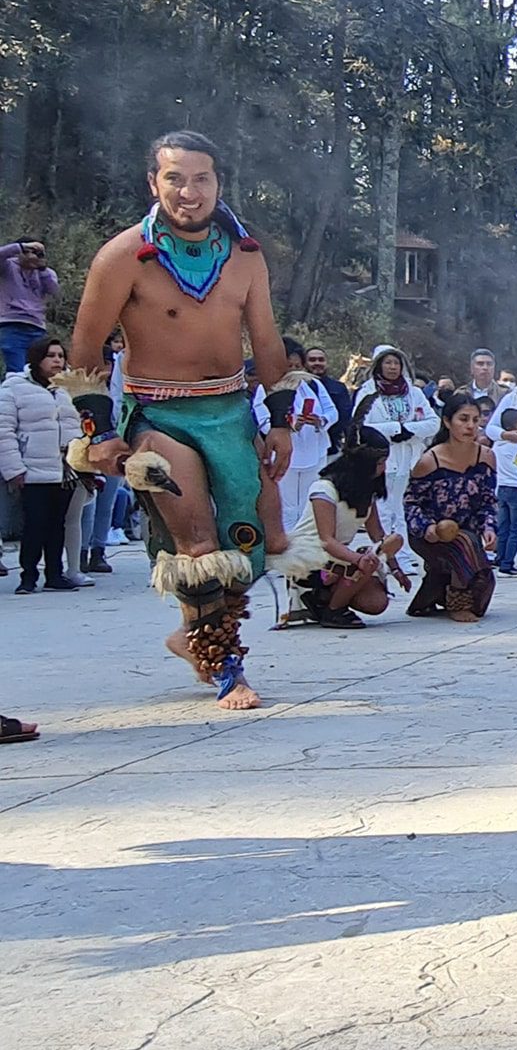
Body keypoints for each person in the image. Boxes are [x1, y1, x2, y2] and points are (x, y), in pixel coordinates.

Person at [69, 130, 286, 709]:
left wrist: (283, 420)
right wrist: (101, 432)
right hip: (160, 415)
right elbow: (85, 352)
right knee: (194, 540)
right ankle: (226, 667)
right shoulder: (122, 256)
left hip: (232, 409)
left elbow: (265, 341)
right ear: (153, 182)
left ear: (219, 183)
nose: (188, 192)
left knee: (251, 543)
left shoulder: (245, 255)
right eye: (174, 178)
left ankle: (194, 637)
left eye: (201, 179)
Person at [275, 428, 406, 628]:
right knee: (367, 561)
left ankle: (324, 599)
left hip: (337, 557)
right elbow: (326, 540)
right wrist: (359, 560)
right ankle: (333, 611)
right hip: (308, 557)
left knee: (376, 602)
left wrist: (396, 570)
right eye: (379, 463)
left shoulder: (366, 491)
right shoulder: (324, 489)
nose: (383, 468)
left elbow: (377, 535)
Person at [401, 393, 499, 623]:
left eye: (475, 420)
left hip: (469, 533)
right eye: (463, 419)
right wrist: (428, 529)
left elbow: (488, 500)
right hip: (433, 534)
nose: (470, 426)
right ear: (447, 422)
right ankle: (457, 602)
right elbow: (411, 503)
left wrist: (489, 527)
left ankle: (432, 593)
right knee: (464, 544)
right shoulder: (429, 461)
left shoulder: (486, 456)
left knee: (483, 586)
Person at [2, 337, 84, 594]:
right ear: (37, 359)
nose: (57, 361)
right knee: (34, 525)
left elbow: (82, 425)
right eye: (51, 356)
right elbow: (4, 431)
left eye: (61, 356)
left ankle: (55, 574)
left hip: (65, 469)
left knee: (57, 523)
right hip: (32, 469)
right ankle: (28, 576)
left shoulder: (71, 388)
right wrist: (14, 468)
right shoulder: (13, 389)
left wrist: (85, 463)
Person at [353, 345, 436, 549]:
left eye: (396, 363)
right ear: (378, 365)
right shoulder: (367, 392)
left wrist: (410, 429)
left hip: (408, 458)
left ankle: (404, 554)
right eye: (387, 363)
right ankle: (384, 552)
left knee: (402, 507)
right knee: (383, 507)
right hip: (382, 458)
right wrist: (393, 429)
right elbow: (359, 426)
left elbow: (434, 422)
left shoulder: (414, 393)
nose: (392, 367)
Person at [276, 337, 338, 530]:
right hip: (286, 456)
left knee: (306, 505)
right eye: (289, 365)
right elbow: (263, 418)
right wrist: (292, 424)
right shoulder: (270, 386)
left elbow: (332, 411)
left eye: (298, 365)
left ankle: (303, 546)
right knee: (287, 507)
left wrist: (321, 421)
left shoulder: (313, 385)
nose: (294, 370)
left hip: (313, 452)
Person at [1, 238, 59, 376]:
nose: (35, 256)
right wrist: (21, 247)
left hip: (37, 327)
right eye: (31, 252)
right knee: (17, 371)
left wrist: (42, 269)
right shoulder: (7, 266)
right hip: (12, 325)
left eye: (39, 253)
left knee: (41, 371)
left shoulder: (47, 273)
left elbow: (53, 290)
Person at [490, 405, 517, 577]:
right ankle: (508, 565)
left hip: (502, 488)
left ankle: (500, 558)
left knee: (504, 527)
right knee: (516, 530)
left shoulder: (498, 445)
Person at [302, 345, 353, 456]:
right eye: (312, 360)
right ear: (304, 363)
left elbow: (345, 419)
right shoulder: (298, 388)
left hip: (331, 449)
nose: (317, 363)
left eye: (321, 360)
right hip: (303, 448)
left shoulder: (338, 388)